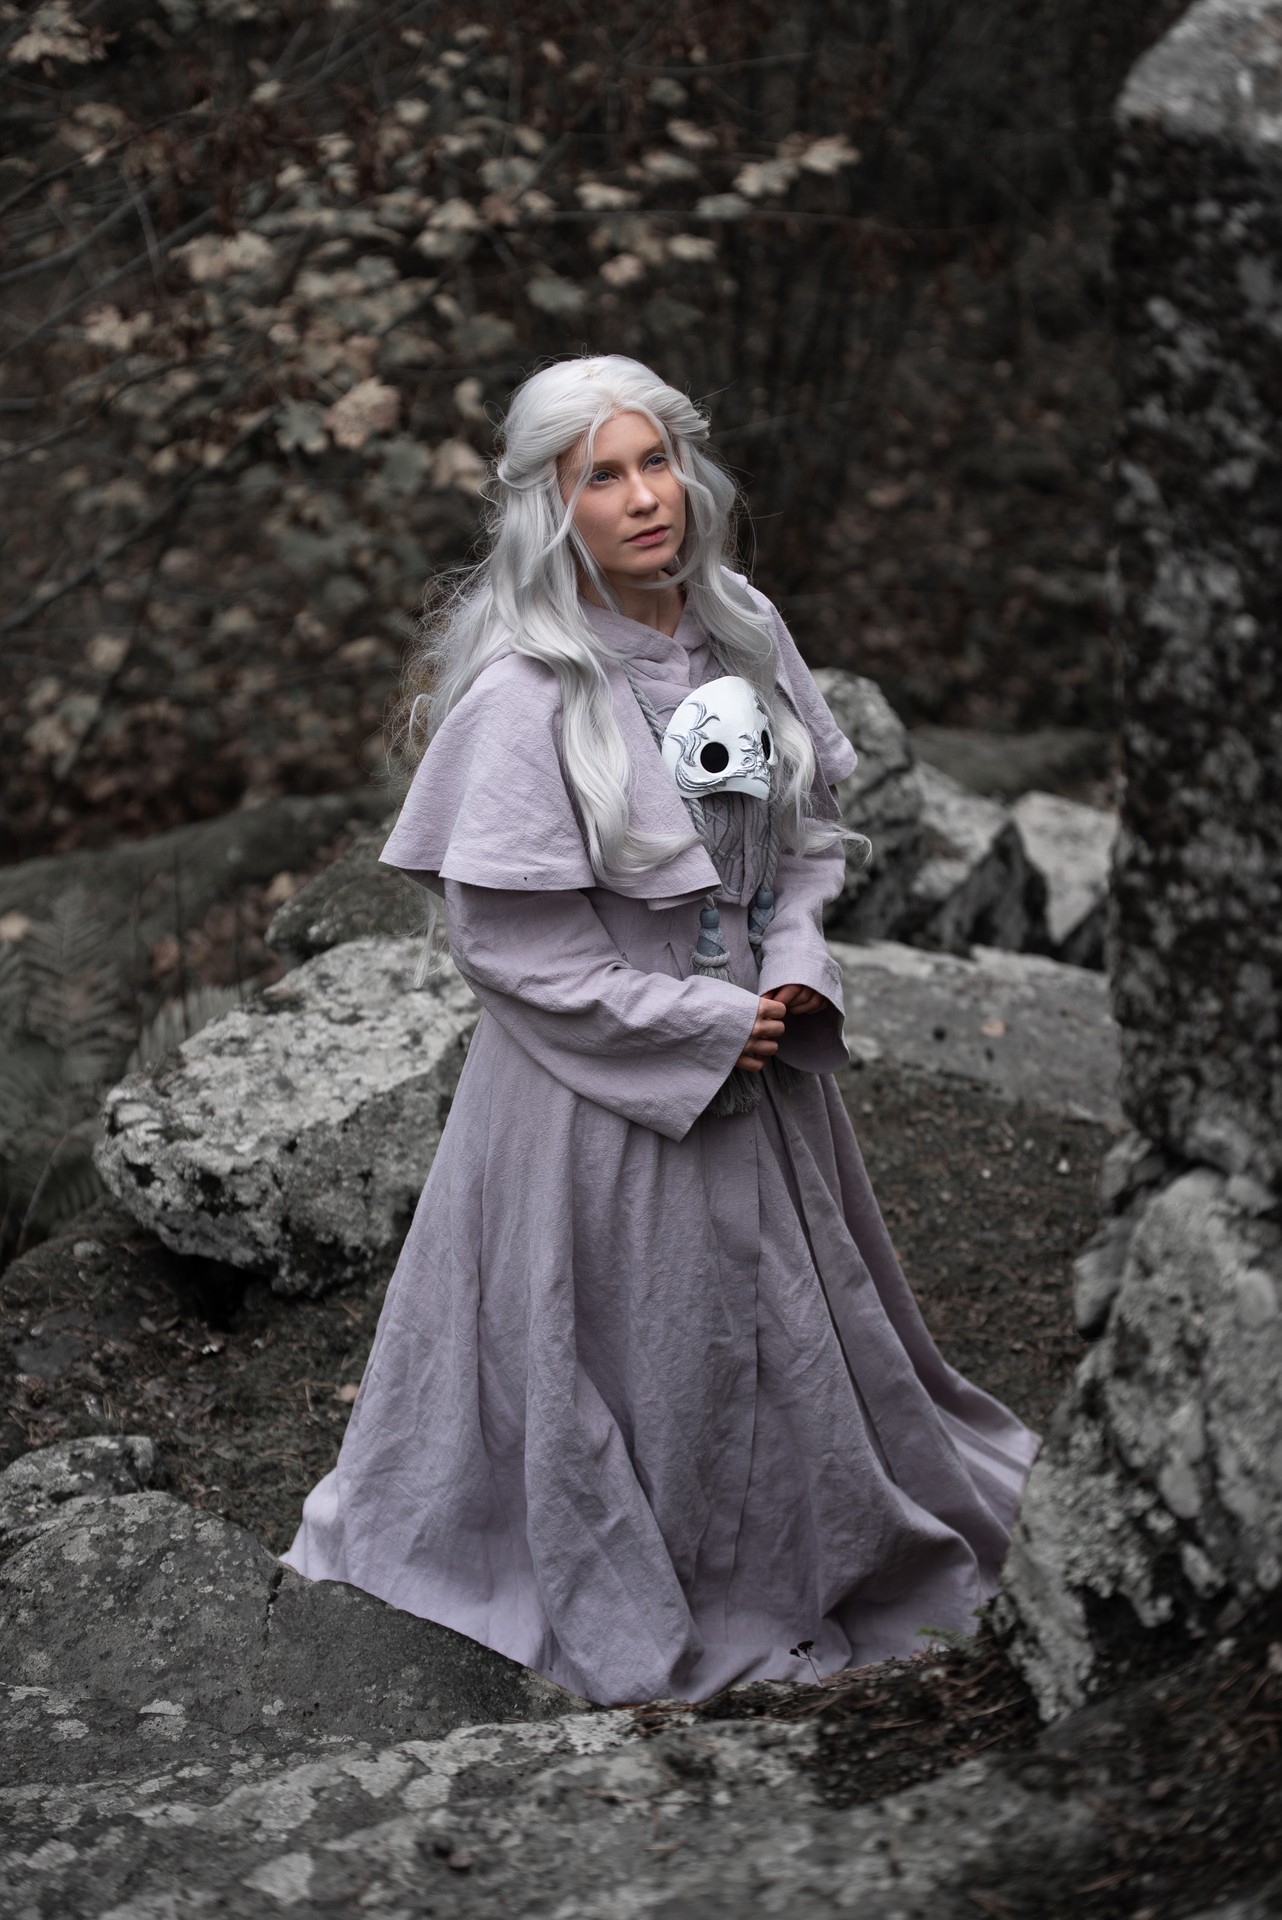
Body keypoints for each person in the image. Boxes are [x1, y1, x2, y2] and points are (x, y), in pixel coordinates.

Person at [281, 354, 1038, 1705]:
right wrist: (692, 1022)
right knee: (634, 1345)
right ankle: (654, 1563)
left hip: (768, 1071)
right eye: (603, 478)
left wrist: (791, 972)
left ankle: (802, 1544)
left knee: (796, 1327)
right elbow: (511, 949)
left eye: (657, 463)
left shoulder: (742, 629)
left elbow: (802, 845)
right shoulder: (525, 695)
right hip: (593, 1107)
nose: (646, 499)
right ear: (550, 508)